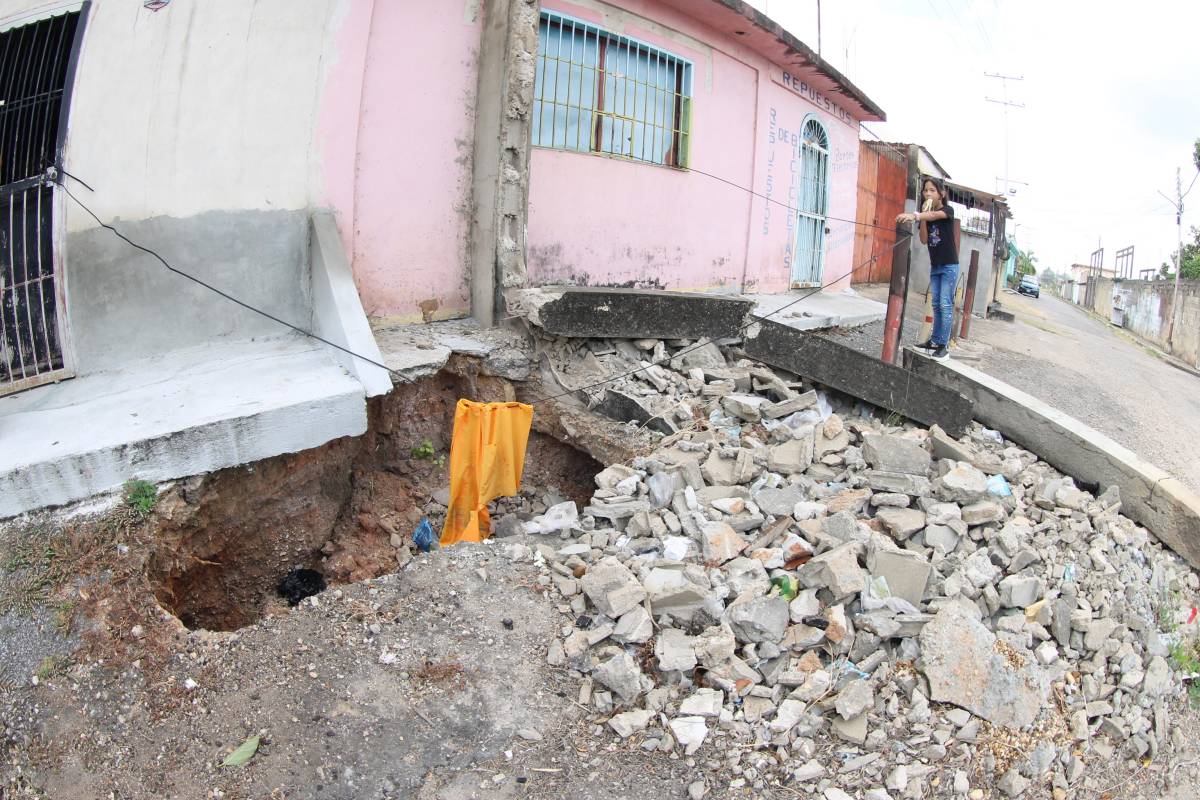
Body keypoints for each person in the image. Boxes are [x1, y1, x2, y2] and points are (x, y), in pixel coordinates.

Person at [897, 178, 958, 358]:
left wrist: (915, 215)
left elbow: (934, 216)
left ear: (942, 194)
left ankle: (943, 347)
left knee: (945, 304)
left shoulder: (947, 210)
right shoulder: (927, 216)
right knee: (936, 305)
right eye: (925, 191)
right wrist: (922, 217)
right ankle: (934, 342)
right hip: (936, 265)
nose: (928, 194)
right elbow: (924, 239)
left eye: (932, 190)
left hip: (949, 265)